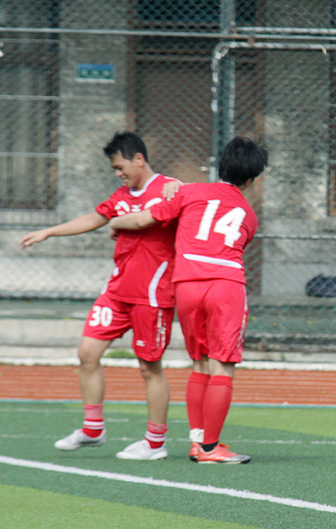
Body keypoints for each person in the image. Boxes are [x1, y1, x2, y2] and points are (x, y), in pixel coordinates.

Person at [20, 132, 179, 460]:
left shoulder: (170, 189)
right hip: (117, 292)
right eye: (114, 169)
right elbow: (95, 218)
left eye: (120, 167)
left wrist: (179, 186)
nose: (118, 174)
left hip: (152, 296)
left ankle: (155, 442)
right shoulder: (121, 196)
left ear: (139, 159)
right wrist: (49, 231)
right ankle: (93, 429)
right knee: (87, 353)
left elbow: (191, 202)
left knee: (149, 367)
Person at [109, 136, 267, 464]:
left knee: (199, 363)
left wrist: (115, 222)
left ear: (220, 166)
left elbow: (141, 219)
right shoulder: (250, 216)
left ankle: (198, 442)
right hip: (225, 284)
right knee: (223, 364)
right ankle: (211, 447)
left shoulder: (188, 191)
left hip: (187, 284)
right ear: (251, 179)